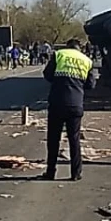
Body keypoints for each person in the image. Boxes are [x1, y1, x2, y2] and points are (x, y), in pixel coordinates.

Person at [41, 39, 97, 182]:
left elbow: (47, 75)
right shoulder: (87, 61)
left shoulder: (59, 55)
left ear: (67, 46)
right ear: (80, 48)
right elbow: (91, 84)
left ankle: (50, 172)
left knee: (53, 139)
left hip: (57, 102)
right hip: (75, 104)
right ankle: (75, 173)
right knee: (74, 139)